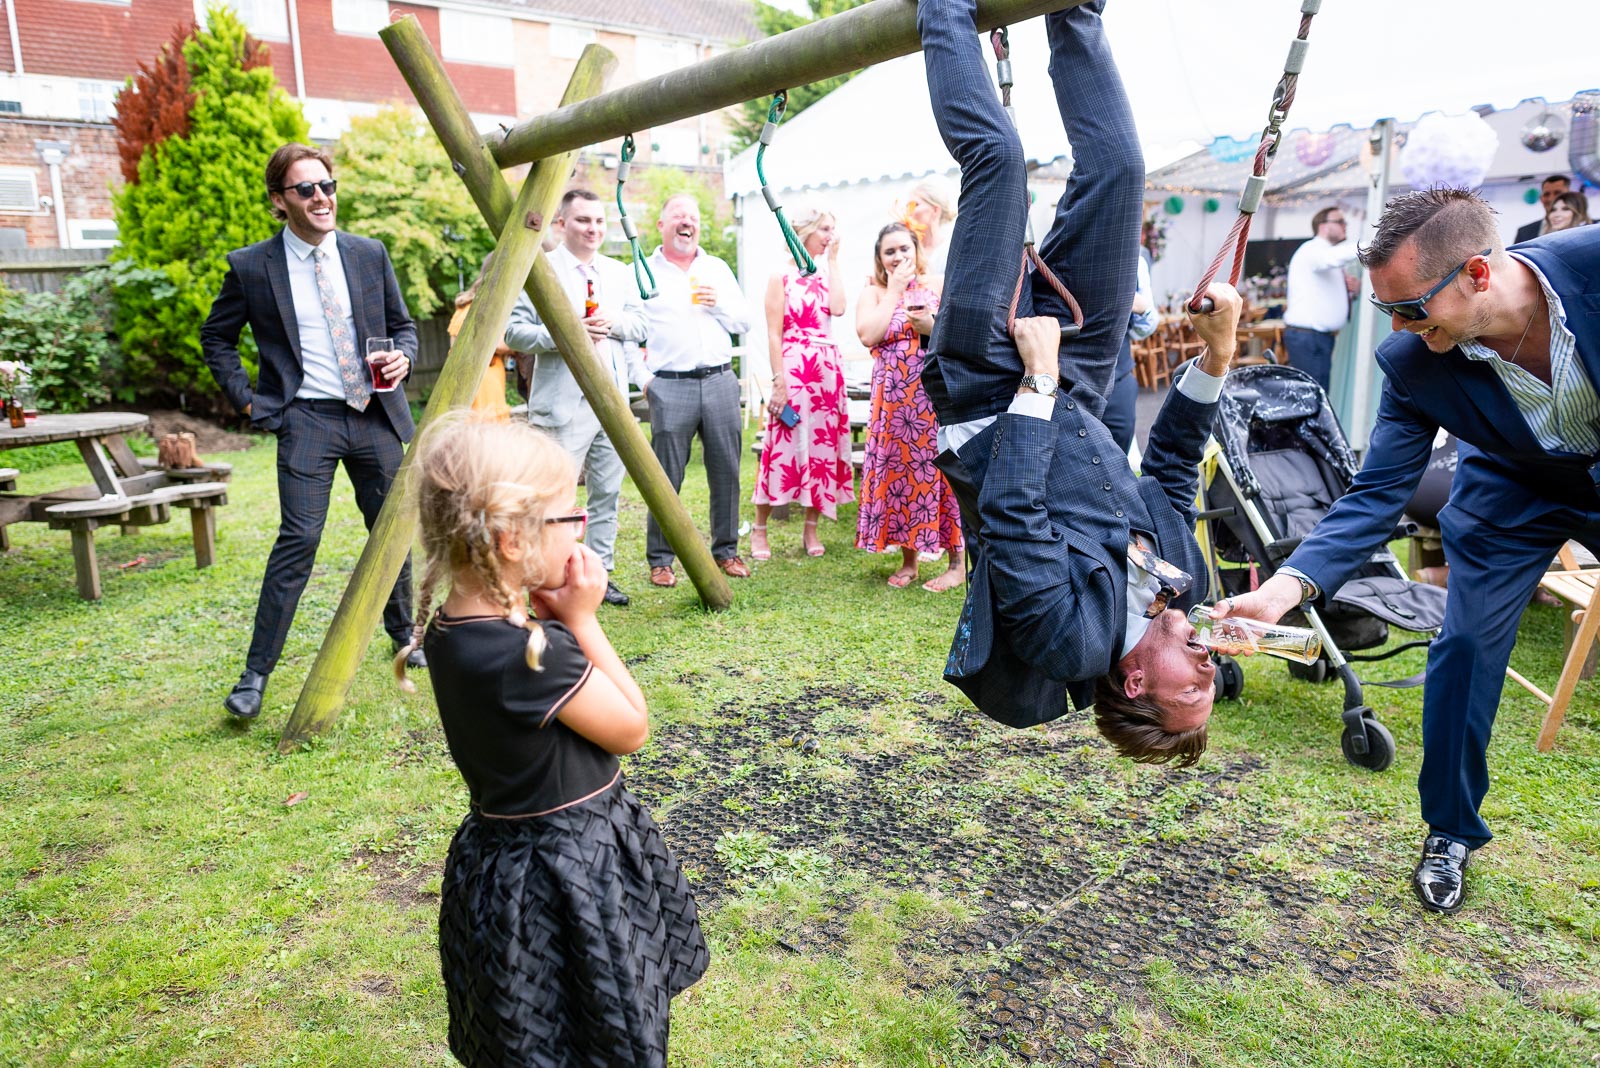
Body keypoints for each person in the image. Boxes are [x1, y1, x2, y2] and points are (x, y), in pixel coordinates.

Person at [1213, 188, 1600, 914]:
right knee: (1461, 651)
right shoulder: (1415, 364)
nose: (1397, 327)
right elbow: (1372, 495)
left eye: (1410, 308)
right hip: (1509, 495)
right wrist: (1281, 591)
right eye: (1385, 310)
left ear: (1478, 275)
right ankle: (1449, 831)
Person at [917, 0, 1248, 766]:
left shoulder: (1067, 640)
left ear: (1134, 679)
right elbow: (1166, 472)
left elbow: (1012, 510)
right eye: (1211, 682)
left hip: (994, 393)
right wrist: (1217, 360)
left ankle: (945, 9)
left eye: (1191, 688)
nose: (1209, 668)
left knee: (998, 162)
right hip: (1081, 391)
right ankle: (1074, 12)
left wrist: (1035, 380)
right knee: (1120, 171)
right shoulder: (1184, 583)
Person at [396, 416, 707, 1067]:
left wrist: (547, 611)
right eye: (571, 515)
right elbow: (632, 726)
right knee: (607, 1029)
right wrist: (581, 619)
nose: (584, 525)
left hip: (503, 866)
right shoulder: (532, 654)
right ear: (512, 541)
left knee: (538, 1036)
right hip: (569, 872)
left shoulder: (454, 627)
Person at [201, 142, 420, 721]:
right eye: (307, 189)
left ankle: (405, 637)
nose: (322, 197)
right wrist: (248, 401)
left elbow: (402, 325)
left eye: (327, 186)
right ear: (280, 200)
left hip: (374, 414)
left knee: (391, 528)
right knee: (298, 541)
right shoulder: (251, 266)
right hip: (307, 421)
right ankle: (254, 676)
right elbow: (216, 338)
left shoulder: (368, 254)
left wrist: (401, 356)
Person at [505, 188, 648, 608]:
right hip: (562, 405)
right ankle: (549, 576)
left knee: (606, 493)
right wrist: (565, 335)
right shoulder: (539, 269)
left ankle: (597, 577)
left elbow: (640, 324)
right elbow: (514, 332)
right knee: (554, 497)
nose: (594, 228)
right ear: (562, 224)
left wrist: (616, 322)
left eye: (600, 221)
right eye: (584, 220)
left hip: (611, 403)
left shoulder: (619, 272)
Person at [637, 193, 755, 587]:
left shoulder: (717, 268)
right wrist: (645, 380)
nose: (687, 223)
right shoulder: (642, 270)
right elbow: (628, 334)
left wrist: (718, 303)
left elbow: (743, 322)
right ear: (661, 225)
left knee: (727, 469)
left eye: (693, 217)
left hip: (720, 380)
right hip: (670, 385)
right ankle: (660, 559)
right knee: (665, 476)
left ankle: (726, 551)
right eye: (678, 216)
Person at [855, 222, 965, 590]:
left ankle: (957, 562)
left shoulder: (936, 284)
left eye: (904, 248)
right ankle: (909, 560)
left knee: (944, 472)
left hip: (934, 397)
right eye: (890, 251)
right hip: (893, 403)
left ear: (916, 250)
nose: (899, 256)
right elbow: (868, 333)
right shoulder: (873, 292)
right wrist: (895, 291)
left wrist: (930, 326)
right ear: (880, 258)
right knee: (901, 475)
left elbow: (958, 332)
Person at [751, 203, 854, 560]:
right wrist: (778, 382)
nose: (830, 237)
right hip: (795, 370)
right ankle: (760, 529)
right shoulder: (780, 275)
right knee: (780, 445)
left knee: (822, 451)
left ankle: (811, 529)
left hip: (827, 374)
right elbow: (774, 334)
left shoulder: (827, 273)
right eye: (825, 229)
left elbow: (839, 309)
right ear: (805, 231)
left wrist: (835, 261)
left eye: (832, 230)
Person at [1282, 205, 1360, 394]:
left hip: (1316, 338)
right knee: (1313, 398)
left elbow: (1325, 294)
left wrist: (1353, 291)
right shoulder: (1313, 250)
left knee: (1317, 396)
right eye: (1340, 221)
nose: (1345, 226)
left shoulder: (1323, 253)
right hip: (1309, 338)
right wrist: (1370, 245)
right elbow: (1330, 260)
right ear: (1323, 226)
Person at [1103, 247, 1159, 457]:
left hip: (1118, 372)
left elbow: (1146, 326)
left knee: (1120, 442)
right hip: (1070, 374)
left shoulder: (1135, 260)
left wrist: (1140, 306)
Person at [448, 251, 515, 424]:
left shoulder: (468, 305)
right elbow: (500, 343)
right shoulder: (479, 307)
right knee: (486, 430)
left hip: (480, 377)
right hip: (482, 380)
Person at [903, 176, 958, 275]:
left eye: (915, 205)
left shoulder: (950, 250)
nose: (908, 212)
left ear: (935, 210)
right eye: (907, 207)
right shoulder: (905, 250)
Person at [1514, 174, 1570, 243]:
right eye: (1546, 194)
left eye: (1557, 193)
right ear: (1541, 198)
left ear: (1570, 197)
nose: (1551, 199)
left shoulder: (1581, 229)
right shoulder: (1524, 233)